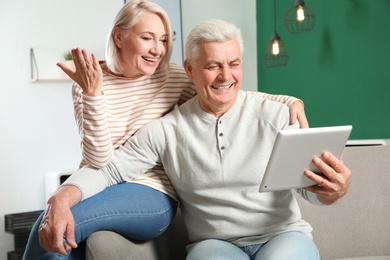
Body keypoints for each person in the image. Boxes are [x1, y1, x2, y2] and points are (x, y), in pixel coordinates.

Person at [23, 1, 309, 259]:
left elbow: (232, 93)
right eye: (147, 37)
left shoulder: (170, 76)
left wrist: (290, 102)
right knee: (57, 226)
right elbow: (102, 164)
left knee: (58, 225)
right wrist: (93, 93)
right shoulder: (97, 85)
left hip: (152, 189)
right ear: (119, 37)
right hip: (112, 178)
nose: (157, 49)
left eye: (162, 39)